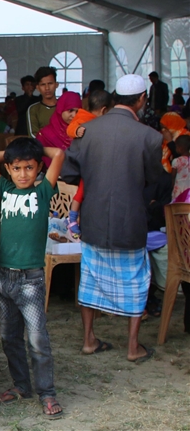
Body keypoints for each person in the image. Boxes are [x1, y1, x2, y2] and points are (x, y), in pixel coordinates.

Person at [61, 74, 162, 365]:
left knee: (90, 278)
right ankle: (133, 346)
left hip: (93, 217)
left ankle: (89, 339)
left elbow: (69, 173)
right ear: (142, 99)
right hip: (130, 219)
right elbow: (154, 180)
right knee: (136, 279)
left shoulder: (87, 130)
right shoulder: (150, 136)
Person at [0, 137, 64, 418]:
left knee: (37, 339)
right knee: (9, 337)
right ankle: (21, 385)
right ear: (8, 169)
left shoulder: (43, 191)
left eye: (29, 167)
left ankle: (47, 393)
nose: (23, 174)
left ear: (39, 167)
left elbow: (59, 153)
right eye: (16, 168)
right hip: (5, 277)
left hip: (31, 278)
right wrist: (14, 153)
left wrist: (32, 150)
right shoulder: (4, 189)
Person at [64, 89, 112, 237]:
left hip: (88, 164)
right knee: (82, 191)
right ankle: (72, 218)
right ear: (104, 110)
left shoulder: (89, 117)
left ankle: (73, 218)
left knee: (83, 191)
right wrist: (76, 131)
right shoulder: (85, 118)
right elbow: (70, 128)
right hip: (87, 165)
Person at [36, 91, 80, 166]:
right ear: (60, 109)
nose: (74, 115)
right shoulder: (45, 135)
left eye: (77, 111)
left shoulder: (81, 130)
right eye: (70, 110)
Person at [26, 67, 59, 138]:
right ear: (37, 87)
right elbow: (33, 135)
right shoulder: (33, 109)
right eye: (43, 84)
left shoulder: (65, 107)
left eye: (50, 83)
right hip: (43, 148)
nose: (47, 88)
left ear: (56, 85)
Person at [171, 135, 190, 200]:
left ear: (180, 148)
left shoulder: (176, 161)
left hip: (179, 190)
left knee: (178, 207)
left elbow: (173, 176)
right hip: (189, 190)